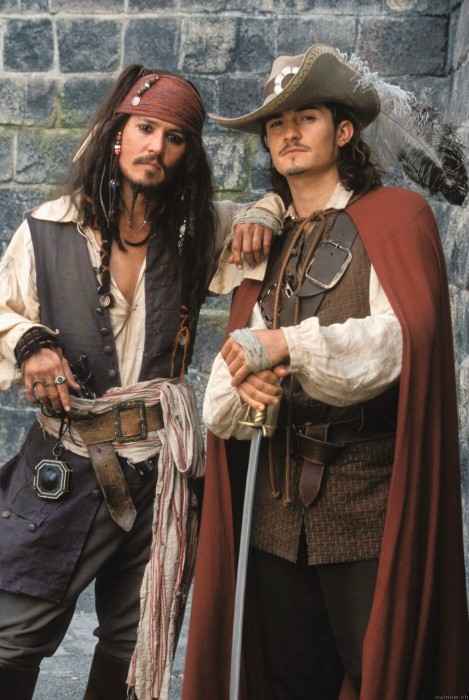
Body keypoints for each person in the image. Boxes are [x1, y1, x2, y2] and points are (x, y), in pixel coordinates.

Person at [183, 44, 469, 700]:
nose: (288, 132)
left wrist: (287, 346)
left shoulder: (396, 218)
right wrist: (242, 386)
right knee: (288, 681)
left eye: (305, 118)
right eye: (276, 124)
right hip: (274, 512)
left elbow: (401, 339)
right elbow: (234, 364)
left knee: (377, 673)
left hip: (366, 506)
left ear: (342, 132)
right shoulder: (264, 239)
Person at [0, 64, 283, 700]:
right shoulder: (48, 228)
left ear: (187, 155)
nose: (156, 146)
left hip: (161, 472)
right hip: (66, 462)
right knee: (13, 633)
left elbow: (284, 214)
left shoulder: (200, 232)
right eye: (146, 129)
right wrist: (30, 342)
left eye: (174, 137)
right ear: (117, 135)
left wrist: (265, 210)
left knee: (136, 642)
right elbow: (2, 308)